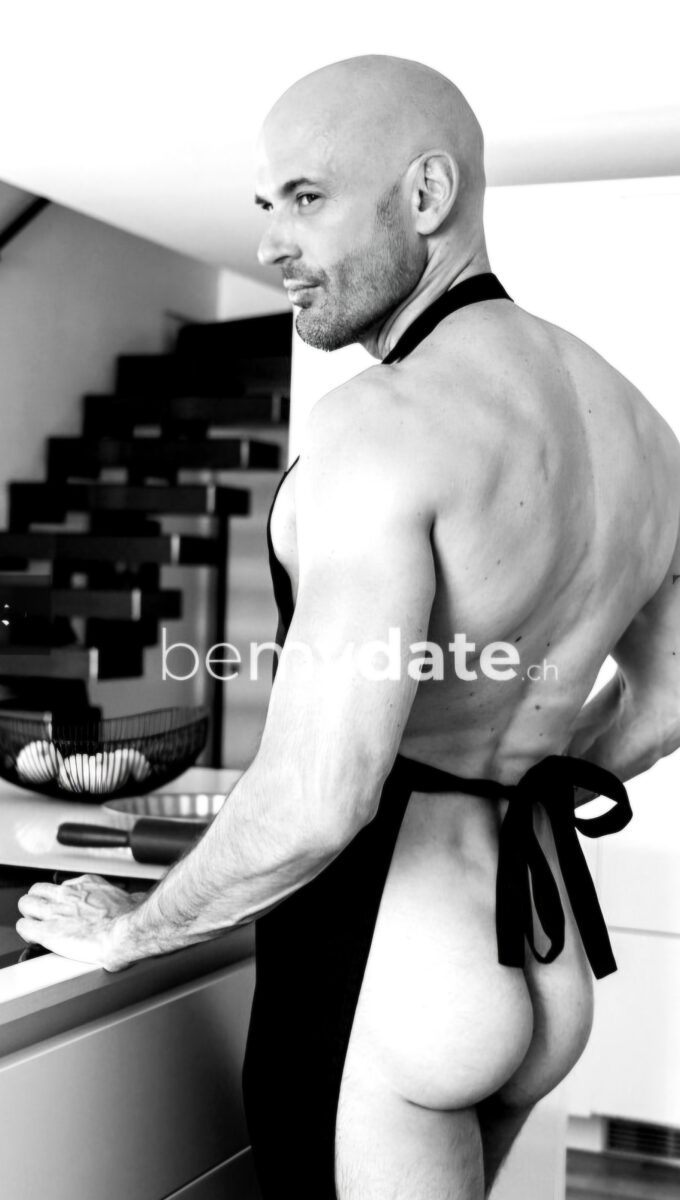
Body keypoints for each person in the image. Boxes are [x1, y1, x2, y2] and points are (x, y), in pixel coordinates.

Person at [17, 54, 680, 1200]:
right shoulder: (639, 429)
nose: (272, 242)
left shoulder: (380, 424)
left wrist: (134, 928)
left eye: (308, 197)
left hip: (399, 967)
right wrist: (522, 780)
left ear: (425, 194)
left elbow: (319, 797)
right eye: (265, 205)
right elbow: (667, 696)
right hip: (543, 947)